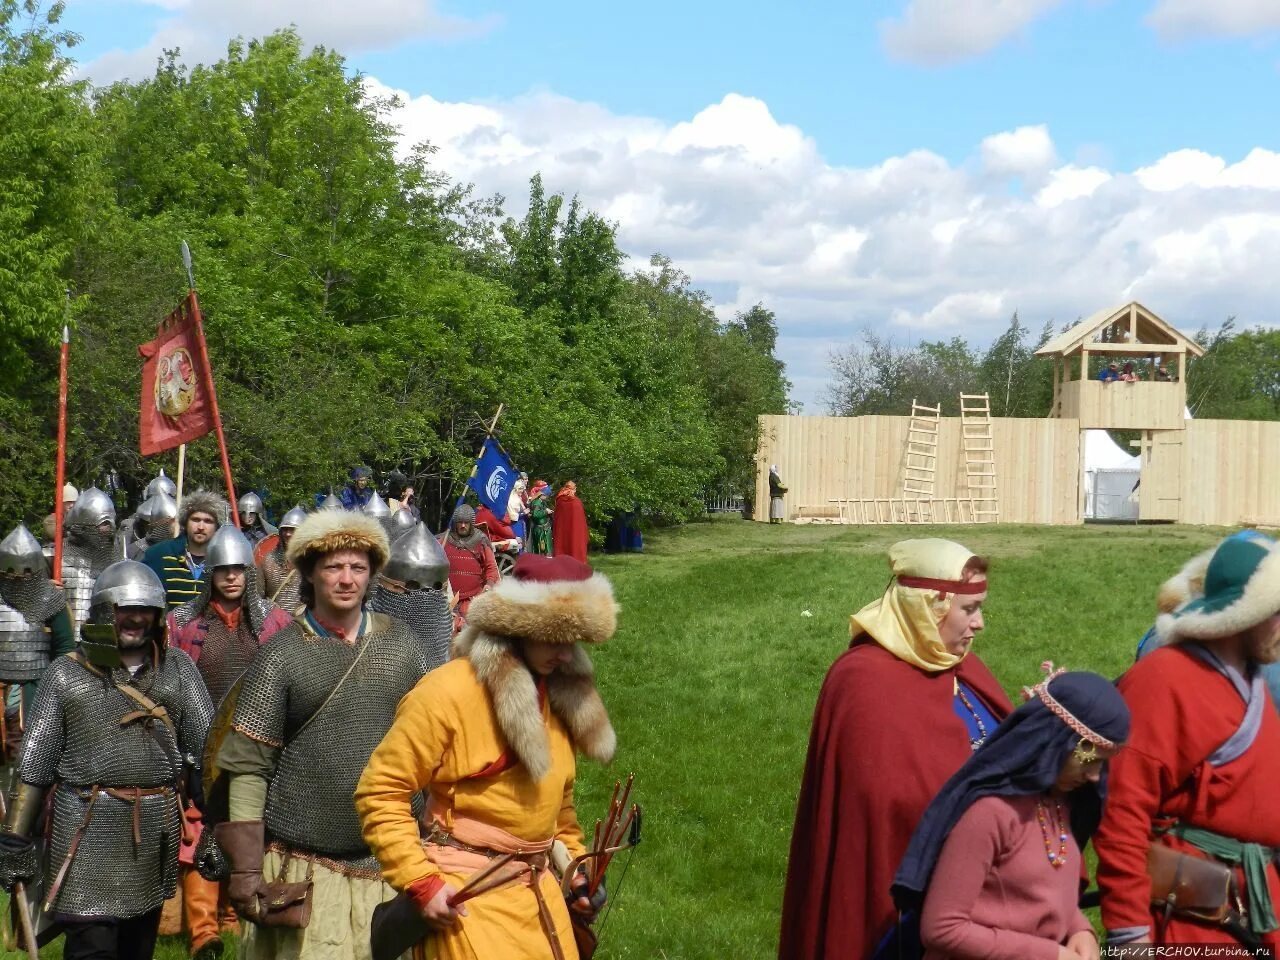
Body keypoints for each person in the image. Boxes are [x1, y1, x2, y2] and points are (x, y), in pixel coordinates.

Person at [355, 553, 618, 960]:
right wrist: (422, 882)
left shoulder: (558, 695)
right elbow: (381, 792)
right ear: (517, 629)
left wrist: (577, 872)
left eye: (573, 641)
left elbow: (558, 811)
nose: (566, 655)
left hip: (540, 896)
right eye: (553, 637)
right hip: (465, 898)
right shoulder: (448, 692)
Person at [211, 509, 432, 960]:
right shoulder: (281, 656)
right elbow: (249, 766)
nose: (347, 579)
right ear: (311, 572)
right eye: (334, 567)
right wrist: (248, 869)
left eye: (358, 567)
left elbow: (436, 743)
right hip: (304, 862)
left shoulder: (403, 645)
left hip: (389, 856)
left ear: (372, 574)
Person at [779, 538, 1013, 960]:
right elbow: (885, 810)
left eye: (980, 608)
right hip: (903, 902)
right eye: (969, 609)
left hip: (989, 887)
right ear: (929, 606)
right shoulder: (864, 681)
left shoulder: (965, 667)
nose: (979, 625)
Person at [0, 560, 213, 960]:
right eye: (123, 609)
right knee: (91, 950)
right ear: (102, 612)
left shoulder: (178, 670)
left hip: (153, 833)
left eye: (145, 609)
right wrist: (14, 839)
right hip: (85, 830)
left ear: (158, 614)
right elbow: (34, 766)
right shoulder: (66, 674)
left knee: (138, 949)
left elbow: (206, 755)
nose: (135, 618)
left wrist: (215, 827)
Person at [1095, 533, 1280, 952]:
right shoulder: (1164, 679)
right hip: (1191, 919)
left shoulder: (1249, 680)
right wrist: (1129, 935)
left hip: (1251, 906)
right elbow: (1121, 814)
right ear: (1246, 613)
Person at [893, 669, 1129, 960]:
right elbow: (942, 928)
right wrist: (1049, 954)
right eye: (1089, 761)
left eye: (1101, 765)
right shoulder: (991, 813)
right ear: (1055, 742)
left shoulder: (1060, 804)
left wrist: (1080, 929)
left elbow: (1050, 895)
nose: (1094, 776)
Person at [167, 525, 293, 960]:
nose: (232, 577)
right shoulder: (183, 624)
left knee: (247, 824)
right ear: (211, 574)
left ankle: (234, 915)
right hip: (199, 744)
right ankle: (204, 931)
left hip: (259, 742)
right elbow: (172, 687)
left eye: (239, 569)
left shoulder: (277, 624)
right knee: (199, 827)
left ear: (249, 573)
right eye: (223, 570)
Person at [0, 523, 74, 758]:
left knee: (31, 755)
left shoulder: (50, 599)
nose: (19, 576)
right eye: (11, 571)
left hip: (36, 688)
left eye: (26, 571)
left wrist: (56, 690)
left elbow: (65, 648)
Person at [366, 521, 453, 672]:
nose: (424, 597)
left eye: (435, 589)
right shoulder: (364, 625)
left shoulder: (442, 627)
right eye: (413, 587)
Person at [60, 486, 120, 639]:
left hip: (103, 641)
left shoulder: (118, 561)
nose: (108, 530)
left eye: (110, 524)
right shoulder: (54, 558)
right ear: (83, 527)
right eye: (103, 524)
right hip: (66, 641)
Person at [441, 505, 500, 627]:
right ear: (455, 523)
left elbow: (491, 567)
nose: (463, 526)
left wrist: (489, 585)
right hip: (446, 600)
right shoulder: (444, 539)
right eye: (460, 522)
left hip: (472, 599)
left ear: (471, 523)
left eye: (466, 523)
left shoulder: (480, 541)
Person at [256, 505, 308, 614]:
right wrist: (268, 606)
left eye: (293, 530)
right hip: (276, 624)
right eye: (285, 529)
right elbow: (256, 598)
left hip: (307, 624)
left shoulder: (312, 561)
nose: (288, 534)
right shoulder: (268, 561)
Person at [552, 482, 589, 563]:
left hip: (561, 531)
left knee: (562, 544)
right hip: (576, 531)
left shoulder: (559, 501)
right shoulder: (577, 502)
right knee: (575, 545)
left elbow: (557, 518)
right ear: (574, 489)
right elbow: (581, 521)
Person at [528, 481, 554, 556]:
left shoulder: (542, 501)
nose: (547, 496)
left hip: (544, 528)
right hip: (540, 530)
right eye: (546, 494)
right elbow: (535, 515)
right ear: (540, 494)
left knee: (546, 548)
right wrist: (546, 512)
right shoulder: (536, 503)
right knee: (541, 549)